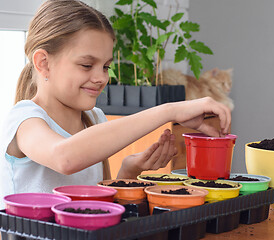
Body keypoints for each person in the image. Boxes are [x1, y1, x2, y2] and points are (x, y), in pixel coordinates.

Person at [0, 0, 231, 208]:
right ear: (44, 63)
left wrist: (130, 170)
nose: (101, 77)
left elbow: (100, 201)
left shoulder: (94, 119)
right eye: (87, 65)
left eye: (105, 66)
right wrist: (170, 109)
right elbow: (65, 158)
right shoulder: (24, 119)